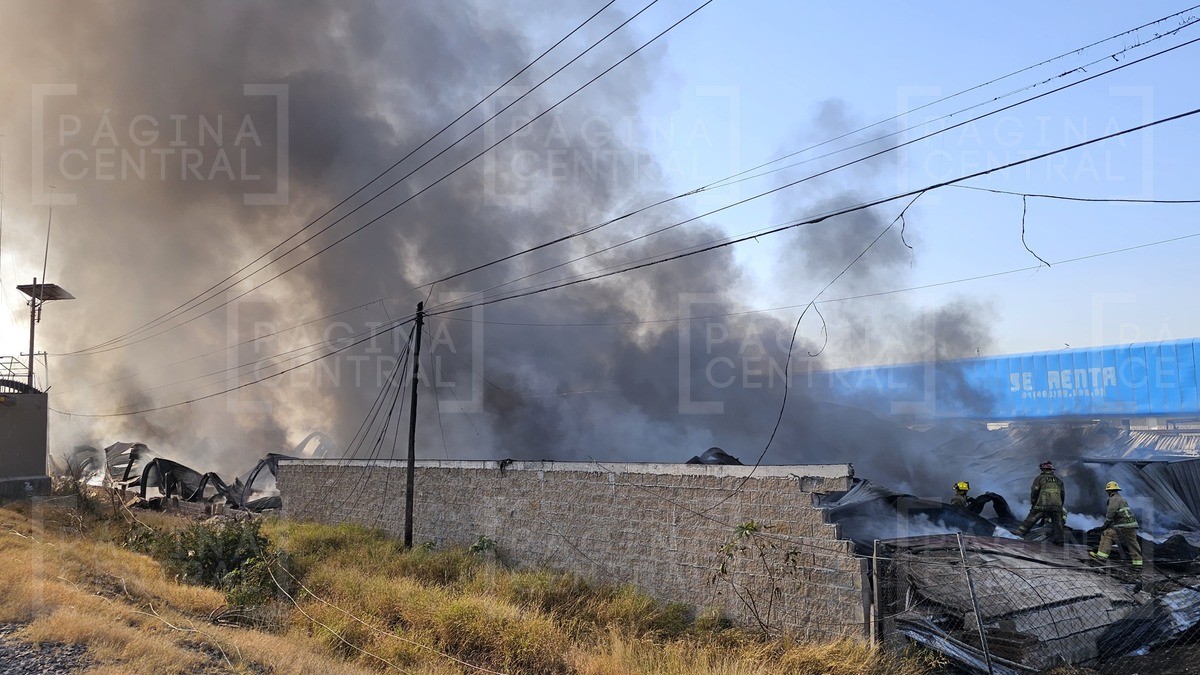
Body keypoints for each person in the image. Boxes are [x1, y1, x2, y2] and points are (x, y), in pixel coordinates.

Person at [1090, 481, 1143, 568]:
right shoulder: (1122, 499)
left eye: (1107, 491)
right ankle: (1138, 563)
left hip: (1122, 526)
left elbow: (1110, 515)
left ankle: (1101, 556)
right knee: (1133, 542)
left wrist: (1104, 527)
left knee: (1107, 534)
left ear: (1109, 491)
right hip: (1131, 525)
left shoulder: (1113, 499)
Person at [1014, 460, 1065, 545]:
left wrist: (1034, 503)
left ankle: (1020, 532)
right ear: (1052, 470)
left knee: (1032, 517)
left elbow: (1035, 491)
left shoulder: (1039, 478)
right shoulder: (1059, 480)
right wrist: (1060, 505)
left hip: (1043, 503)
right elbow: (1062, 494)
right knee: (1057, 522)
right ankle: (1060, 540)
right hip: (1057, 505)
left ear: (1043, 469)